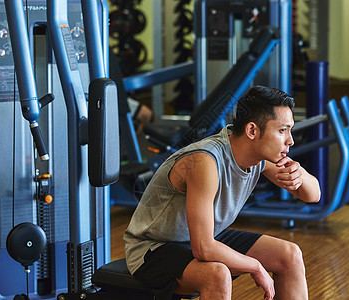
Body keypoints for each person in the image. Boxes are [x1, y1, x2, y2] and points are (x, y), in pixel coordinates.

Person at [124, 85, 321, 300]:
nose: (290, 140)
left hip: (202, 238)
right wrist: (255, 266)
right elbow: (204, 249)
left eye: (290, 130)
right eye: (282, 130)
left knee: (290, 256)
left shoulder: (261, 158)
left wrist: (299, 174)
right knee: (217, 274)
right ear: (252, 131)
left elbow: (313, 196)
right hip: (154, 248)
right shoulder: (205, 161)